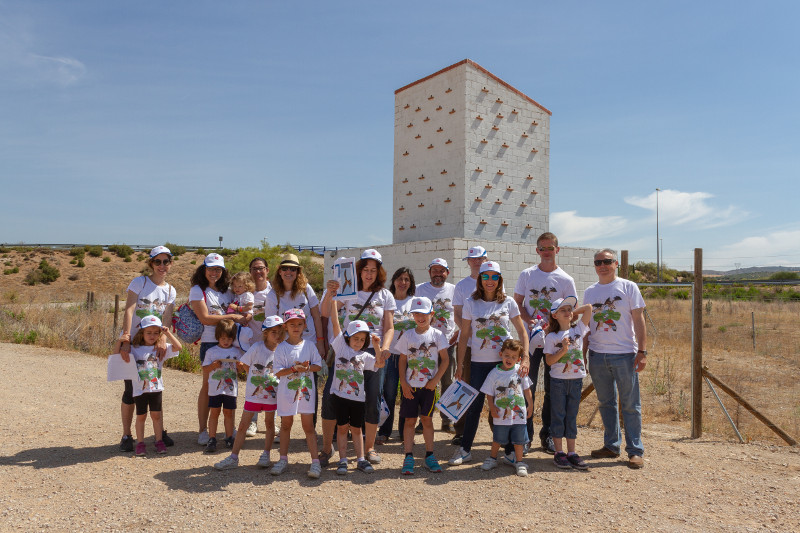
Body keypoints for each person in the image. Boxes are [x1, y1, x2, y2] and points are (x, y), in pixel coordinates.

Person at [450, 261, 529, 466]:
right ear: (480, 279)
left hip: (503, 365)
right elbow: (465, 335)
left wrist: (525, 357)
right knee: (474, 407)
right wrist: (460, 365)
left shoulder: (508, 302)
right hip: (478, 363)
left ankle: (510, 451)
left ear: (500, 279)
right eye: (486, 276)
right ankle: (465, 449)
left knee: (506, 404)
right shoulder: (470, 302)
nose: (490, 281)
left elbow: (521, 331)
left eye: (495, 277)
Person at [322, 249, 395, 465]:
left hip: (373, 351)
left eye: (374, 270)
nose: (369, 274)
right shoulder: (348, 291)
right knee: (331, 395)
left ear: (379, 272)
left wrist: (385, 348)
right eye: (365, 270)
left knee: (372, 398)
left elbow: (389, 327)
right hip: (346, 349)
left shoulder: (385, 295)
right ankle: (327, 448)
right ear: (358, 271)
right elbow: (326, 312)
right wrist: (330, 293)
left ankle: (369, 448)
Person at [512, 232, 577, 455]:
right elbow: (517, 303)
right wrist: (530, 321)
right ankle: (526, 435)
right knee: (526, 387)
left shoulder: (566, 280)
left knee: (554, 389)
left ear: (557, 250)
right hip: (530, 341)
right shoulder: (527, 275)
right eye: (542, 248)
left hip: (554, 342)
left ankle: (548, 434)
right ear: (537, 250)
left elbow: (572, 311)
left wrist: (555, 327)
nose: (547, 252)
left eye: (551, 248)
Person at [584, 248, 647, 469]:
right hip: (598, 355)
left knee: (630, 404)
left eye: (607, 261)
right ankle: (611, 445)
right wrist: (583, 353)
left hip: (625, 354)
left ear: (616, 263)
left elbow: (639, 320)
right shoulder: (590, 292)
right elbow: (586, 326)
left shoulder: (628, 287)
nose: (602, 265)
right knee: (605, 403)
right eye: (598, 262)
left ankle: (635, 450)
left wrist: (642, 351)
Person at [118, 245, 177, 452]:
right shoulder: (139, 282)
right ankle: (127, 435)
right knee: (131, 390)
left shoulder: (170, 290)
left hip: (153, 343)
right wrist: (126, 337)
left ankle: (158, 433)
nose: (162, 266)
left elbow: (167, 317)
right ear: (151, 263)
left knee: (153, 385)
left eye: (166, 262)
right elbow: (129, 309)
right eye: (158, 261)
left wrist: (162, 339)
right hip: (134, 342)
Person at [189, 253, 247, 446]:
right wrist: (233, 318)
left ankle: (227, 430)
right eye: (211, 268)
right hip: (210, 343)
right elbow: (205, 318)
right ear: (204, 269)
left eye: (218, 269)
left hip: (229, 342)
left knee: (228, 385)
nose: (214, 272)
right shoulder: (198, 290)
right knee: (208, 386)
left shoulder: (227, 291)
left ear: (223, 271)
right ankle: (203, 430)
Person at [214, 315, 284, 470]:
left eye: (279, 332)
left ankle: (266, 454)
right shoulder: (257, 347)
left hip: (271, 396)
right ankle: (234, 457)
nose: (277, 335)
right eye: (273, 332)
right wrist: (255, 378)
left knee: (269, 423)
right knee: (243, 424)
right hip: (254, 395)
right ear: (265, 333)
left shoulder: (282, 350)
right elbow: (244, 364)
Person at [326, 291, 384, 475]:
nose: (358, 342)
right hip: (340, 396)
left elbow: (380, 363)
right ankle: (342, 460)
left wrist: (376, 345)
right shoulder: (340, 346)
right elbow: (335, 323)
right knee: (342, 428)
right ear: (348, 337)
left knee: (357, 429)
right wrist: (334, 300)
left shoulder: (366, 355)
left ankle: (360, 459)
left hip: (358, 398)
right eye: (355, 338)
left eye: (362, 339)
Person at [113, 315, 181, 457]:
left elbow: (178, 347)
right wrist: (121, 340)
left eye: (156, 333)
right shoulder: (134, 349)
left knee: (156, 415)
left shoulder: (160, 349)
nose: (152, 336)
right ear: (141, 332)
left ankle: (159, 441)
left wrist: (167, 333)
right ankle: (140, 443)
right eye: (148, 332)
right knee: (141, 416)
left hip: (156, 389)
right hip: (139, 390)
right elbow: (115, 355)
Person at [396, 297, 449, 475]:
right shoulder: (407, 335)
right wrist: (403, 383)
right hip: (411, 386)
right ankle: (408, 456)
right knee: (410, 421)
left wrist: (436, 380)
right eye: (416, 313)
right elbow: (402, 360)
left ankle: (429, 455)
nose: (420, 317)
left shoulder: (437, 335)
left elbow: (446, 360)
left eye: (424, 314)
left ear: (431, 314)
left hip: (429, 387)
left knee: (427, 420)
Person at [271, 308, 324, 479]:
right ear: (285, 326)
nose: (296, 327)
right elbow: (277, 372)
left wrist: (307, 368)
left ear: (304, 325)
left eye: (299, 324)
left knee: (308, 426)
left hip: (305, 392)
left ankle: (315, 462)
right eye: (292, 324)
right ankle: (283, 459)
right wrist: (294, 368)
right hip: (287, 393)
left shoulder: (309, 345)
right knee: (286, 425)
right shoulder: (281, 348)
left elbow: (318, 366)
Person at [543, 296, 591, 470]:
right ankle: (559, 452)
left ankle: (571, 452)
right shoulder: (551, 337)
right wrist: (563, 350)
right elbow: (548, 361)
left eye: (569, 309)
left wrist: (571, 312)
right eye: (562, 310)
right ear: (554, 316)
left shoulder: (578, 329)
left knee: (571, 415)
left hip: (576, 380)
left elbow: (588, 308)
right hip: (558, 381)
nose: (568, 312)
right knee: (558, 415)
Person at [414, 258, 459, 433]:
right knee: (424, 381)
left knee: (447, 382)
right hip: (425, 345)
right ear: (429, 273)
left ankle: (447, 420)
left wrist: (459, 332)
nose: (438, 274)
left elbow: (461, 314)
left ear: (447, 272)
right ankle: (423, 418)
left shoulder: (454, 290)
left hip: (447, 344)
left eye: (442, 271)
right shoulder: (420, 289)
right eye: (434, 270)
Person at [450, 245, 489, 445]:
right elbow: (457, 313)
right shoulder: (462, 286)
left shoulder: (494, 282)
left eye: (480, 259)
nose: (477, 262)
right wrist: (469, 332)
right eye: (473, 259)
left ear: (485, 259)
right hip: (469, 344)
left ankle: (497, 430)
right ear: (468, 261)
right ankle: (461, 431)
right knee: (464, 385)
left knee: (493, 388)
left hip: (490, 345)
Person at [479, 339, 533, 477]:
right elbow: (489, 393)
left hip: (519, 414)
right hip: (501, 414)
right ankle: (492, 458)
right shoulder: (494, 373)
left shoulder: (520, 371)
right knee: (498, 438)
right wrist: (491, 408)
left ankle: (519, 462)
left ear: (519, 359)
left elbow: (527, 389)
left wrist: (530, 405)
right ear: (501, 354)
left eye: (513, 357)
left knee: (519, 440)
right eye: (507, 355)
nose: (509, 359)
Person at [378, 266, 416, 443]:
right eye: (399, 279)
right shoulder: (387, 299)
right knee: (389, 393)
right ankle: (385, 431)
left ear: (411, 283)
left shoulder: (415, 302)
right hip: (391, 354)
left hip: (410, 356)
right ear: (393, 281)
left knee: (409, 394)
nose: (403, 282)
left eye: (406, 279)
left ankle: (404, 431)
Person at [202, 319, 245, 454]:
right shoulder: (211, 351)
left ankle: (228, 437)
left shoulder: (237, 352)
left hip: (230, 389)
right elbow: (205, 369)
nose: (226, 341)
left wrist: (241, 367)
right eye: (223, 338)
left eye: (229, 338)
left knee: (229, 413)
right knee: (214, 413)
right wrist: (213, 365)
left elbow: (241, 371)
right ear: (218, 337)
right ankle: (212, 438)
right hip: (215, 389)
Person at [244, 257, 273, 438]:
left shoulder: (274, 291)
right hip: (251, 345)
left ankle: (272, 423)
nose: (258, 272)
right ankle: (252, 422)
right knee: (253, 383)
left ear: (267, 270)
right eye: (254, 269)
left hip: (271, 345)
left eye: (261, 268)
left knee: (272, 382)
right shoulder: (246, 293)